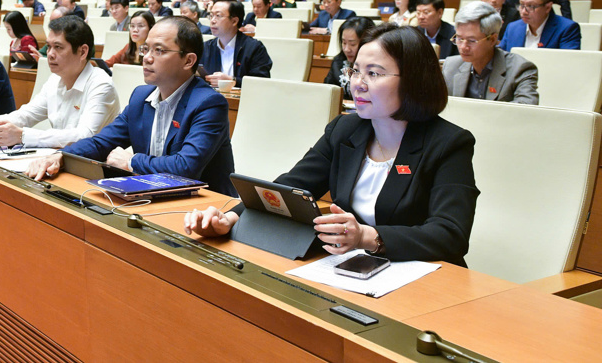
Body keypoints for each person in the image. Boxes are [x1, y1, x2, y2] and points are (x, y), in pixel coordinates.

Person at [185, 24, 479, 266]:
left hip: (421, 277)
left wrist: (368, 236)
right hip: (350, 268)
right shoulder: (346, 129)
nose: (358, 83)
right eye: (355, 71)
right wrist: (230, 217)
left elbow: (450, 234)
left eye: (373, 73)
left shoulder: (448, 143)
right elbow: (291, 187)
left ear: (414, 81)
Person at [26, 17, 236, 196]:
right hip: (150, 195)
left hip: (207, 208)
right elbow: (102, 142)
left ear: (188, 61)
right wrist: (61, 156)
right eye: (146, 49)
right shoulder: (140, 97)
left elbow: (185, 168)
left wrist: (132, 162)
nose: (147, 57)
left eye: (159, 50)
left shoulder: (208, 103)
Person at [0, 16, 120, 147]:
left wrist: (23, 135)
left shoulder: (101, 85)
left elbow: (85, 136)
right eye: (48, 47)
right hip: (58, 158)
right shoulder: (54, 80)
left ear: (82, 52)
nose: (50, 54)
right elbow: (25, 115)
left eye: (58, 47)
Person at [443, 2, 538, 104]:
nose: (463, 47)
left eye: (472, 41)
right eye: (459, 38)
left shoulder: (519, 68)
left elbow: (526, 110)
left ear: (492, 40)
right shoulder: (451, 66)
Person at [201, 0, 272, 87]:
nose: (212, 21)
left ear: (234, 21)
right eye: (211, 15)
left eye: (218, 16)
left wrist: (233, 81)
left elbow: (261, 82)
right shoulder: (205, 48)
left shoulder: (254, 48)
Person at [499, 0, 580, 50]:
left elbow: (568, 62)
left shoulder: (567, 28)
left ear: (548, 7)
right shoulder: (512, 28)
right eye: (521, 5)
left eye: (531, 6)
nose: (523, 11)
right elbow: (501, 58)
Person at [324, 17, 377, 99]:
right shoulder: (338, 62)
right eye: (344, 43)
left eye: (352, 44)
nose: (346, 49)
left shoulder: (376, 67)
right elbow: (327, 91)